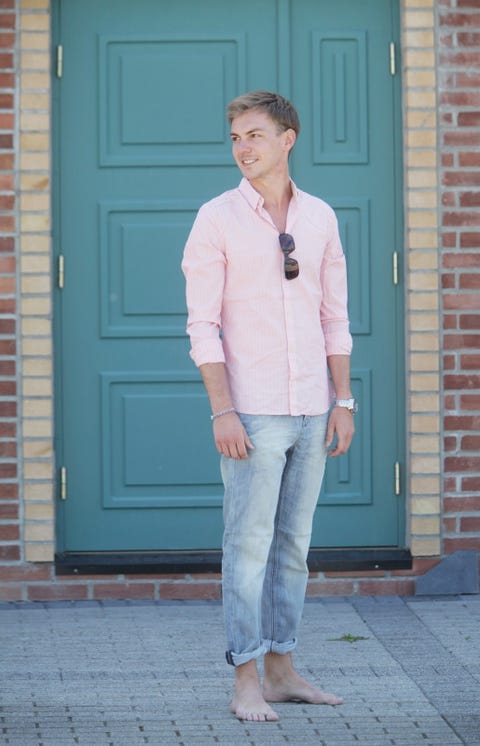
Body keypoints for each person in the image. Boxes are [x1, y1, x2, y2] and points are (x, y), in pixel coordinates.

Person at [182, 90, 356, 722]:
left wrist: (343, 400)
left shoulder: (320, 218)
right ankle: (246, 680)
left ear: (289, 139)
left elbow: (334, 317)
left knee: (293, 548)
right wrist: (222, 410)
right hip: (252, 414)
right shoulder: (217, 218)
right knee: (248, 546)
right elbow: (202, 325)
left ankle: (282, 672)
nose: (242, 147)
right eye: (235, 137)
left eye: (254, 134)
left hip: (313, 406)